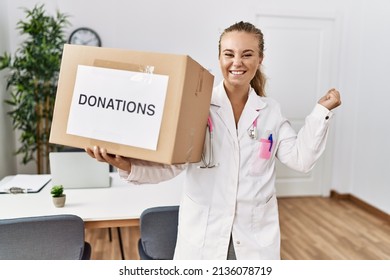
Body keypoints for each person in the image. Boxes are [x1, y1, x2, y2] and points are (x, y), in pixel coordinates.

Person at [86, 21, 341, 260]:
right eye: (229, 54)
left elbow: (301, 159)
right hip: (203, 238)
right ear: (219, 58)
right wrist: (127, 166)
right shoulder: (198, 105)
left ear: (260, 59)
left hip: (254, 240)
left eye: (247, 54)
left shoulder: (270, 111)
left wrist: (321, 112)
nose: (237, 62)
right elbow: (172, 166)